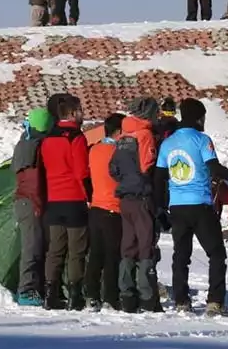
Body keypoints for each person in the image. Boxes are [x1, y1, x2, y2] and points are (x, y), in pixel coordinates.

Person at [156, 98, 228, 316]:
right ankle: (215, 302)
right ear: (198, 118)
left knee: (180, 256)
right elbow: (216, 170)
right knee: (216, 253)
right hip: (200, 206)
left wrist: (160, 207)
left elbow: (159, 178)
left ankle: (182, 301)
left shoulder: (167, 143)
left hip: (177, 207)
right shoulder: (202, 140)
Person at [109, 97, 162, 313]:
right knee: (145, 245)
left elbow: (113, 169)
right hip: (141, 197)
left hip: (125, 198)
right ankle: (147, 296)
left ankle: (126, 294)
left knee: (127, 245)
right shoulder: (145, 134)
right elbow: (147, 164)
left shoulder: (123, 136)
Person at [39, 95, 91, 310]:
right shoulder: (76, 137)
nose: (82, 114)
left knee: (55, 250)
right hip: (74, 199)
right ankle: (74, 295)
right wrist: (91, 195)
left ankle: (50, 293)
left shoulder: (48, 138)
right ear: (71, 113)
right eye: (80, 110)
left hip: (53, 199)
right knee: (76, 250)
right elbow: (81, 171)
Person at [12, 107, 53, 306]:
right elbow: (31, 181)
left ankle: (35, 288)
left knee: (36, 245)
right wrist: (37, 203)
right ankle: (26, 291)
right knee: (32, 247)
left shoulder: (26, 142)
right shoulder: (33, 147)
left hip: (25, 201)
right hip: (30, 202)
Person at [85, 113, 125, 312]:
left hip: (96, 207)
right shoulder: (119, 152)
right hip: (114, 208)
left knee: (95, 255)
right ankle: (110, 297)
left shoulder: (94, 150)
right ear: (119, 132)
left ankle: (91, 296)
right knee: (112, 256)